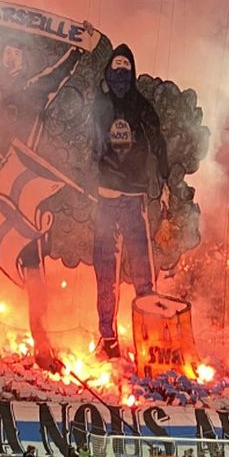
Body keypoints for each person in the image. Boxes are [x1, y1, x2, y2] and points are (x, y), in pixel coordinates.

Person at [0, 15, 95, 372]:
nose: (11, 60)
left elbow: (60, 75)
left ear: (24, 61)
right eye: (7, 54)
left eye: (17, 55)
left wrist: (80, 50)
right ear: (1, 60)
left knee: (33, 261)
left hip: (23, 177)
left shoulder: (36, 89)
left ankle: (42, 344)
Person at [90, 43, 170, 358]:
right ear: (109, 71)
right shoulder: (99, 105)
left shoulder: (142, 106)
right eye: (116, 65)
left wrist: (163, 178)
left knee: (143, 272)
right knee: (106, 272)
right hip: (107, 197)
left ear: (132, 71)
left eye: (126, 66)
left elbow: (158, 140)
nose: (121, 72)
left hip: (134, 197)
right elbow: (91, 143)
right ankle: (107, 339)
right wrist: (91, 175)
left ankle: (148, 340)